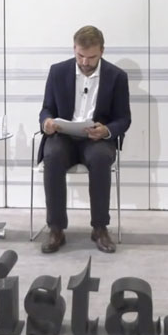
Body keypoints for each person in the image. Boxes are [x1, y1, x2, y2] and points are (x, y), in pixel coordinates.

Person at [37, 25, 130, 254]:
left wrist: (106, 130)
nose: (85, 62)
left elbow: (124, 119)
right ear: (74, 49)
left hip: (96, 138)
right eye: (80, 56)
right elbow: (47, 108)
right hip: (63, 135)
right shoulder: (58, 72)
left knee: (100, 158)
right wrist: (47, 122)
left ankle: (100, 228)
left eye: (91, 57)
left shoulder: (117, 77)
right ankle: (56, 228)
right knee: (52, 155)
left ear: (102, 51)